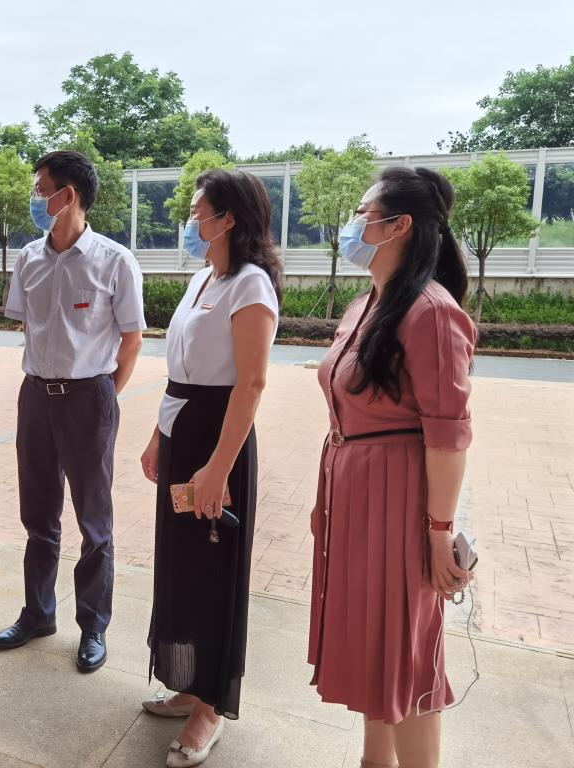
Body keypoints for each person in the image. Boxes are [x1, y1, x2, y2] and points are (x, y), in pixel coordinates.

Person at [307, 167, 476, 768]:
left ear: (398, 225)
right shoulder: (368, 303)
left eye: (363, 213)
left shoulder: (432, 311)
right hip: (356, 491)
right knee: (375, 641)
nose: (353, 225)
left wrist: (438, 532)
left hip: (399, 501)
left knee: (407, 648)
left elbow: (449, 435)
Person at [140, 170, 282, 767]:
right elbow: (181, 372)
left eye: (199, 211)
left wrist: (218, 468)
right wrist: (158, 436)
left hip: (219, 438)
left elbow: (250, 384)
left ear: (229, 219)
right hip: (183, 429)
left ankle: (211, 706)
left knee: (214, 572)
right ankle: (188, 682)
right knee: (181, 566)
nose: (190, 219)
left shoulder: (251, 286)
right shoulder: (204, 277)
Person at [0, 150, 146, 672]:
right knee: (38, 514)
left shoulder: (114, 260)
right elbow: (27, 326)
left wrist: (105, 397)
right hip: (36, 396)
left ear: (69, 195)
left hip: (89, 398)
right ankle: (37, 614)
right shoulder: (29, 258)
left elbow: (132, 340)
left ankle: (93, 626)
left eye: (41, 188)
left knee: (93, 519)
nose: (35, 198)